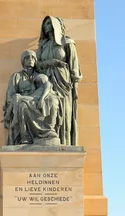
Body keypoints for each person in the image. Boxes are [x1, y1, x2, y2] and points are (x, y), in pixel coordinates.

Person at [36, 16, 82, 145]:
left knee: (63, 110)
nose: (46, 27)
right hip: (46, 80)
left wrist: (76, 85)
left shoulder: (67, 42)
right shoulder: (43, 46)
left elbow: (74, 65)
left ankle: (64, 139)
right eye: (44, 25)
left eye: (49, 23)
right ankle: (47, 134)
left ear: (57, 25)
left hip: (63, 80)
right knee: (48, 105)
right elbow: (37, 65)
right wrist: (51, 62)